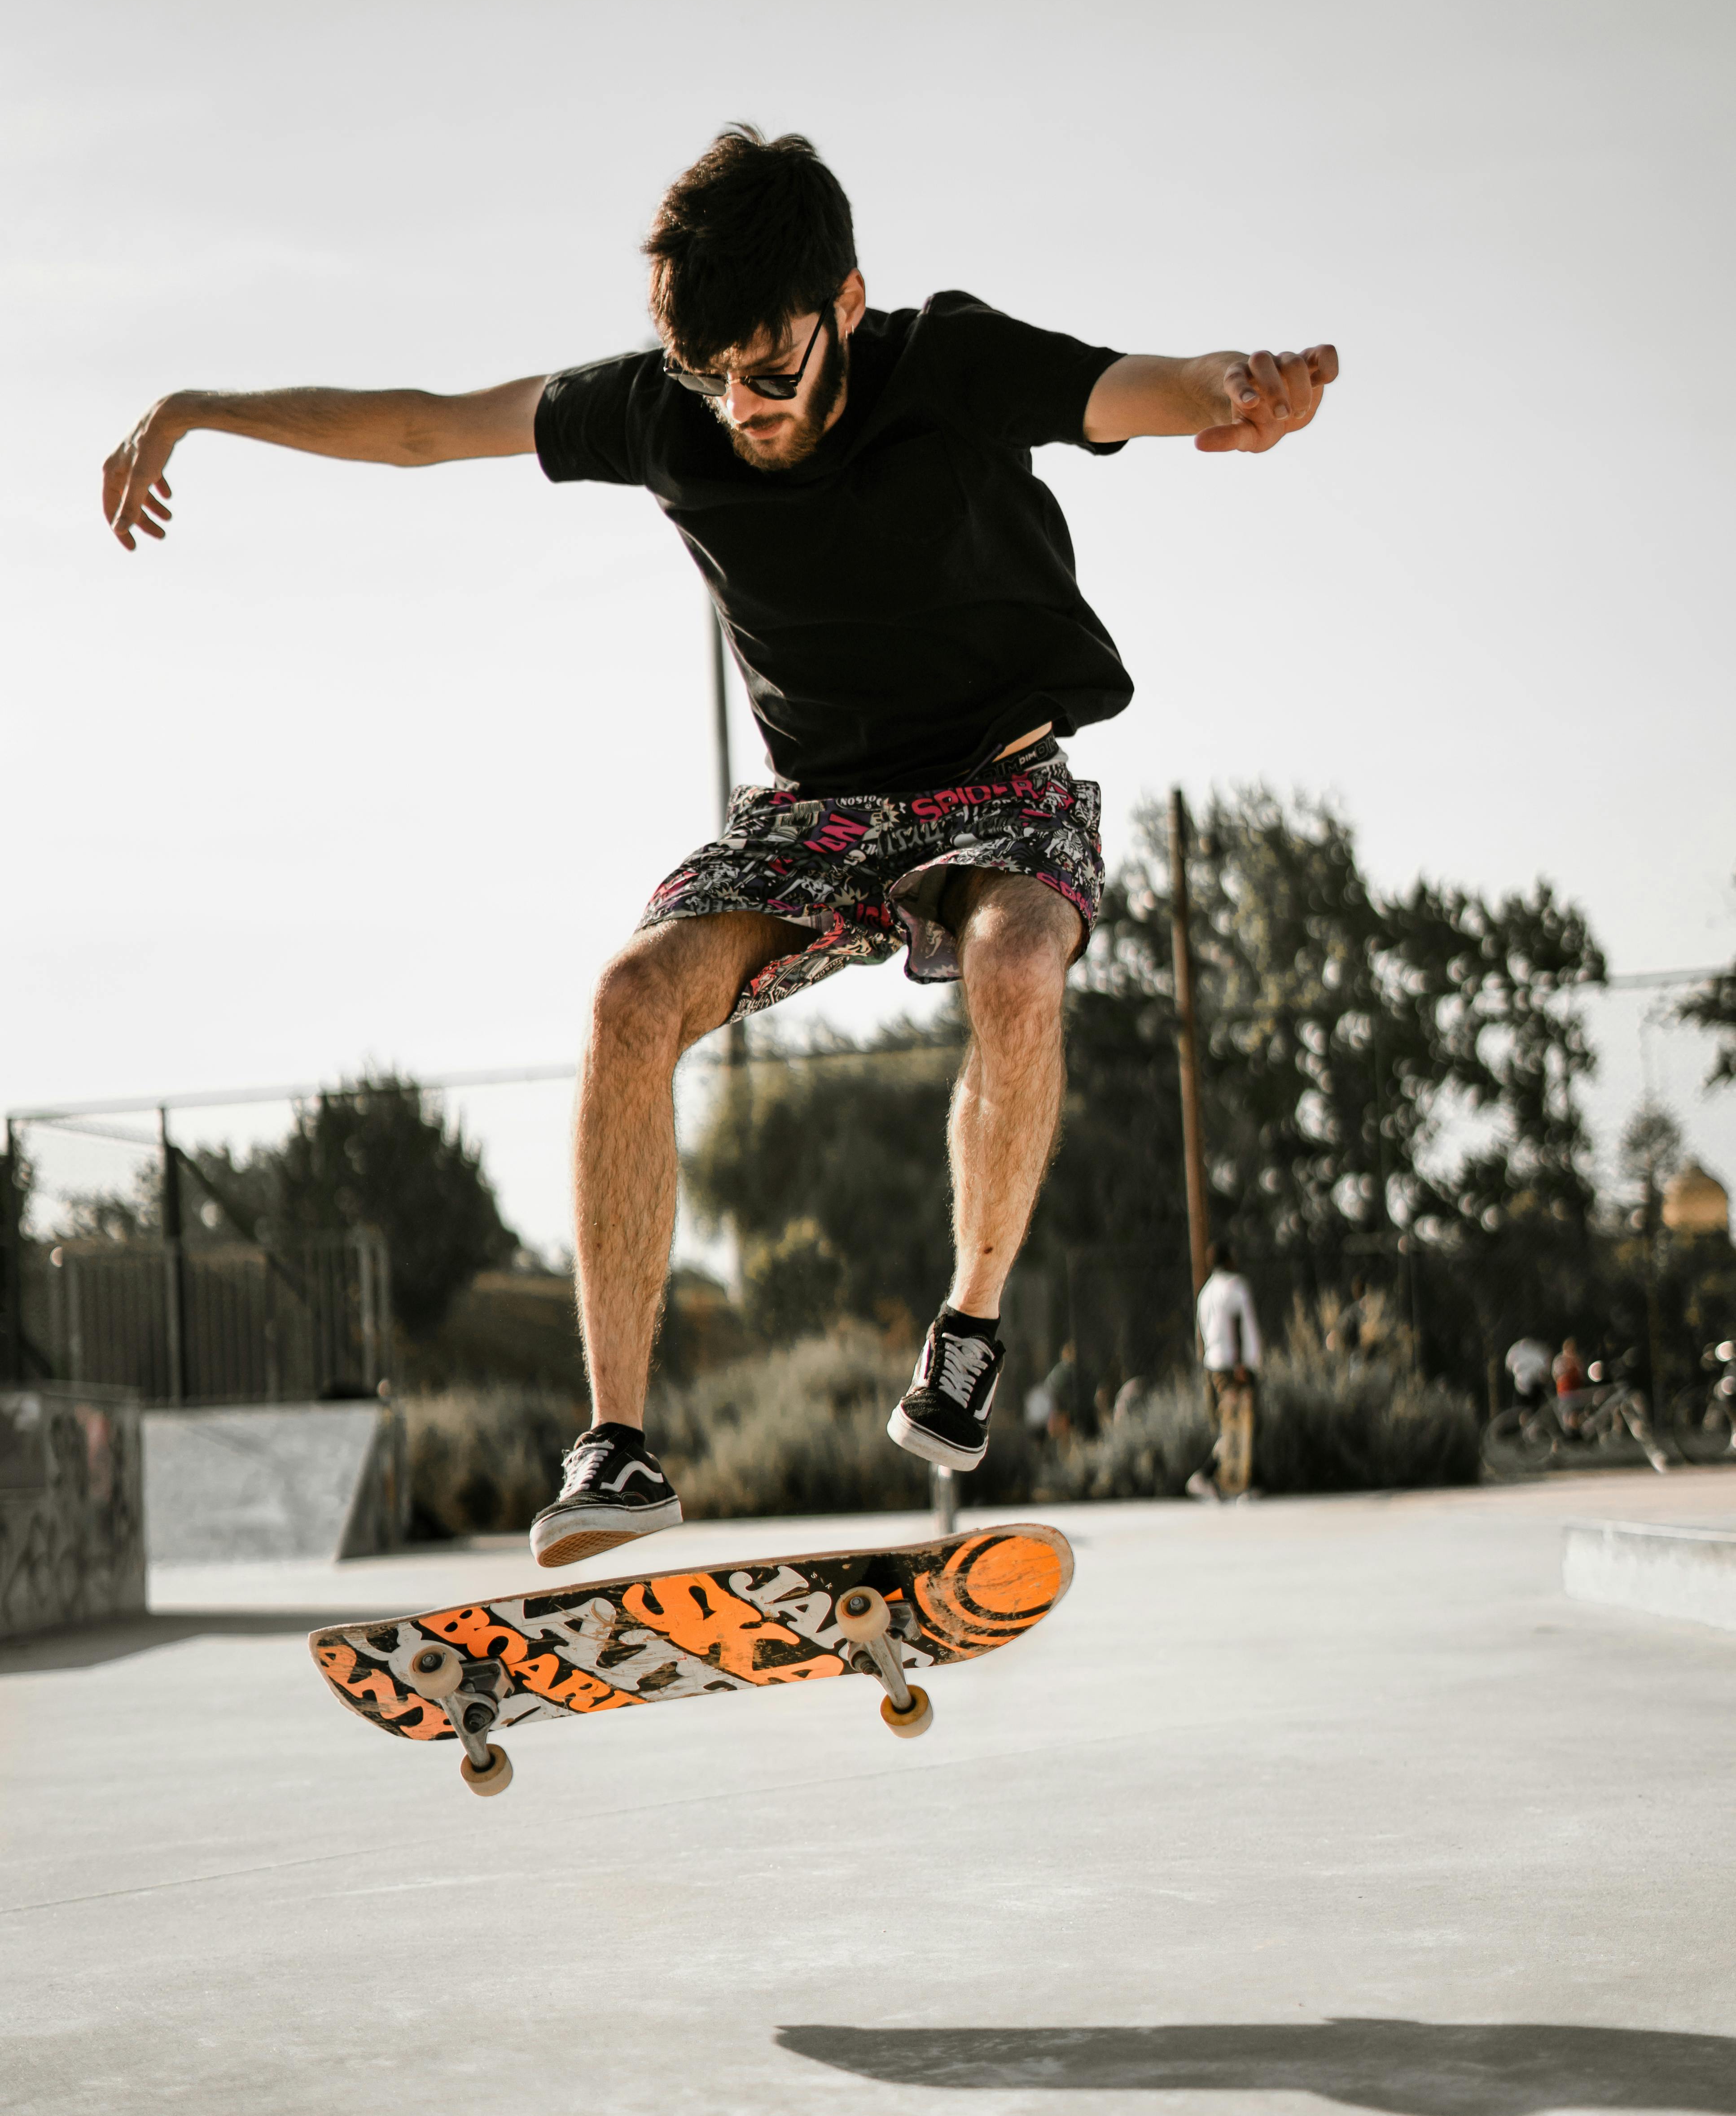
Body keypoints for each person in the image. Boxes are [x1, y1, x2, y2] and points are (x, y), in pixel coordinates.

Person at [102, 126, 1337, 1568]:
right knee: (630, 1002)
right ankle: (615, 1445)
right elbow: (429, 422)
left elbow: (1138, 388)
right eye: (712, 378)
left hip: (999, 787)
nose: (741, 409)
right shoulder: (663, 410)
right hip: (814, 812)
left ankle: (968, 1323)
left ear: (847, 304)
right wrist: (192, 406)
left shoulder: (945, 361)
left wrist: (1235, 395)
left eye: (770, 371)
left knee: (1012, 961)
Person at [1189, 1241, 1263, 1501]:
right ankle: (1224, 1479)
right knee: (1242, 1426)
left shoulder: (1206, 1292)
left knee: (1227, 1426)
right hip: (1234, 1366)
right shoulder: (1235, 1287)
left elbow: (1202, 1332)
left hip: (1214, 1364)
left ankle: (1218, 1481)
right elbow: (1238, 1323)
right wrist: (1242, 1364)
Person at [1504, 1336, 1552, 1411]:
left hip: (1529, 1385)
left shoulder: (1520, 1352)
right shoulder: (1537, 1353)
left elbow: (1509, 1367)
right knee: (1535, 1407)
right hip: (1530, 1386)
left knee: (1529, 1408)